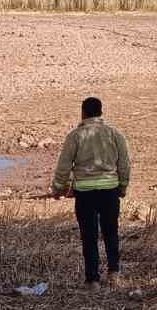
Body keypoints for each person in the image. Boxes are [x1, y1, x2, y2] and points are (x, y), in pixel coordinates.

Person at [52, 96, 131, 287]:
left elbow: (63, 166)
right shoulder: (114, 134)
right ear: (101, 112)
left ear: (83, 113)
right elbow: (124, 163)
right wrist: (123, 185)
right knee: (111, 231)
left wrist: (59, 187)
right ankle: (114, 274)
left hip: (84, 192)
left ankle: (92, 279)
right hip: (110, 190)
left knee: (89, 236)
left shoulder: (75, 136)